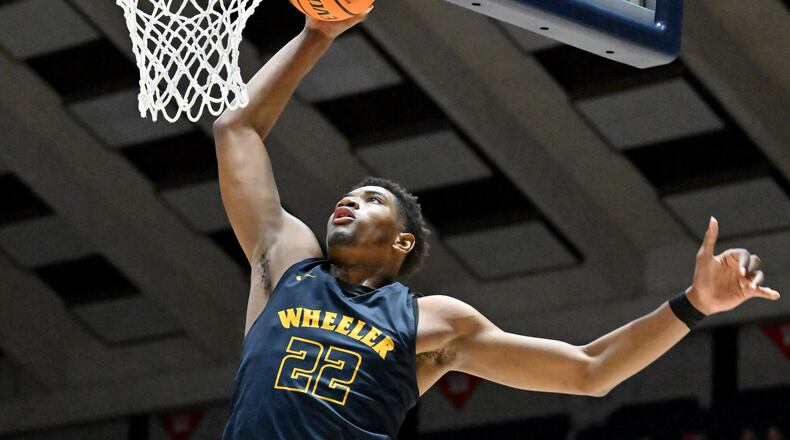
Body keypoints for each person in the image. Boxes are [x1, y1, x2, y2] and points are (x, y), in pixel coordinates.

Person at [213, 11, 782, 439]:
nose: (348, 201)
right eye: (348, 196)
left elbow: (590, 371)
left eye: (369, 200)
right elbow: (236, 131)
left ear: (402, 241)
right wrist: (320, 32)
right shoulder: (288, 264)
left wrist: (694, 304)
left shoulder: (428, 321)